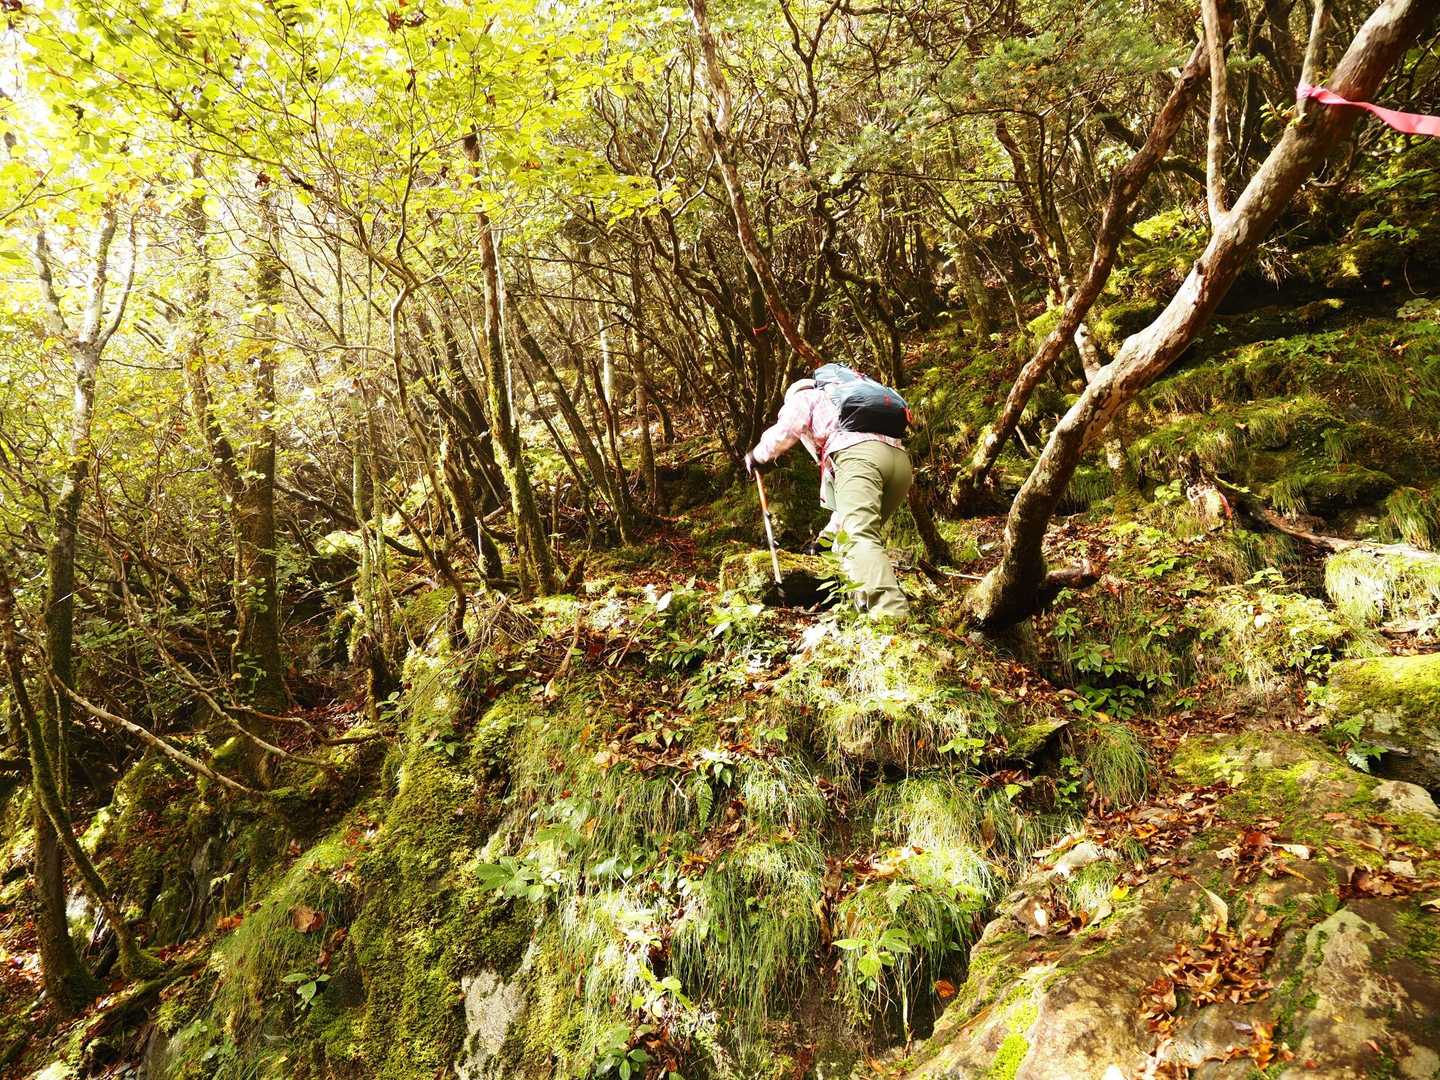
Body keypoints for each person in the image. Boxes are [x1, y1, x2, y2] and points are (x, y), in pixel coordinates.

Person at [745, 376, 912, 618]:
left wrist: (757, 456)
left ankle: (891, 615)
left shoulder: (806, 396)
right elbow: (845, 510)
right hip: (899, 462)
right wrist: (826, 538)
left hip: (860, 458)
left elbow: (787, 429)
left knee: (857, 538)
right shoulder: (844, 404)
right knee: (848, 542)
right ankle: (862, 611)